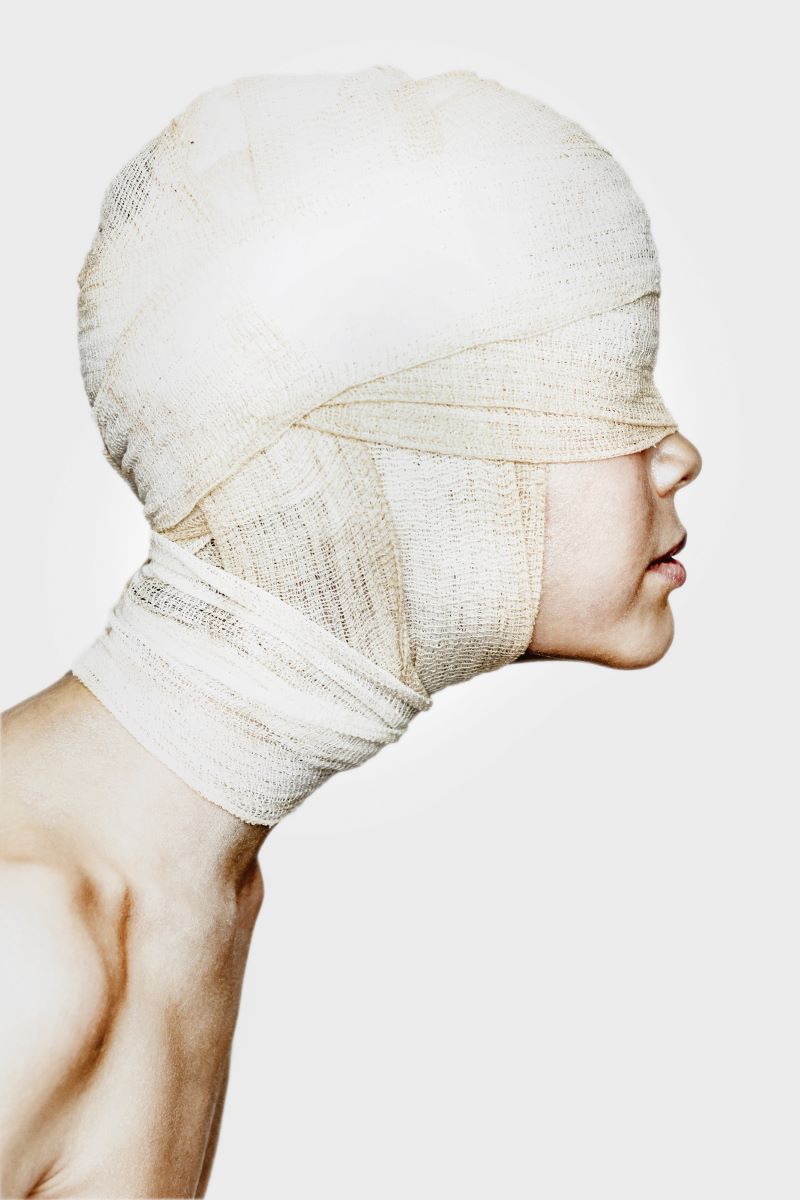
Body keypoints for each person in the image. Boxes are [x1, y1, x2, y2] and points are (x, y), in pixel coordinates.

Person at [0, 66, 701, 1198]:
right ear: (404, 460)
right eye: (605, 385)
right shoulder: (24, 942)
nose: (676, 452)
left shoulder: (193, 889)